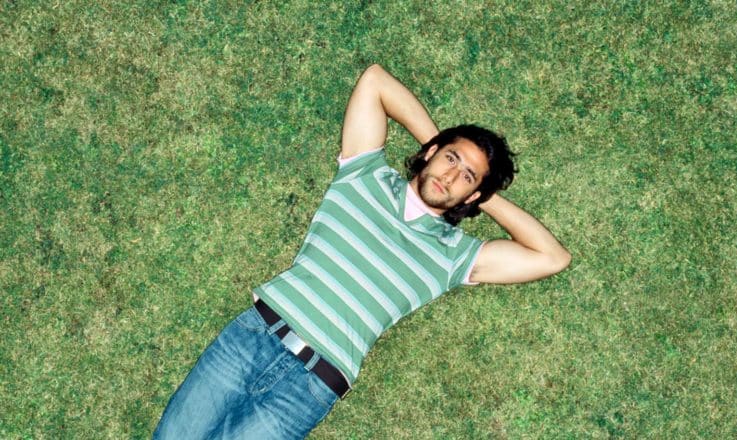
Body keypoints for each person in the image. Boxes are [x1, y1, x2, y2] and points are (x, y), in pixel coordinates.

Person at [153, 64, 571, 439]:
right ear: (430, 152)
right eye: (450, 157)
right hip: (252, 339)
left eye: (466, 177)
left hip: (311, 388)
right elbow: (375, 81)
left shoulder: (454, 255)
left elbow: (552, 257)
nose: (449, 175)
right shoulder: (363, 174)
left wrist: (484, 196)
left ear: (473, 194)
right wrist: (439, 144)